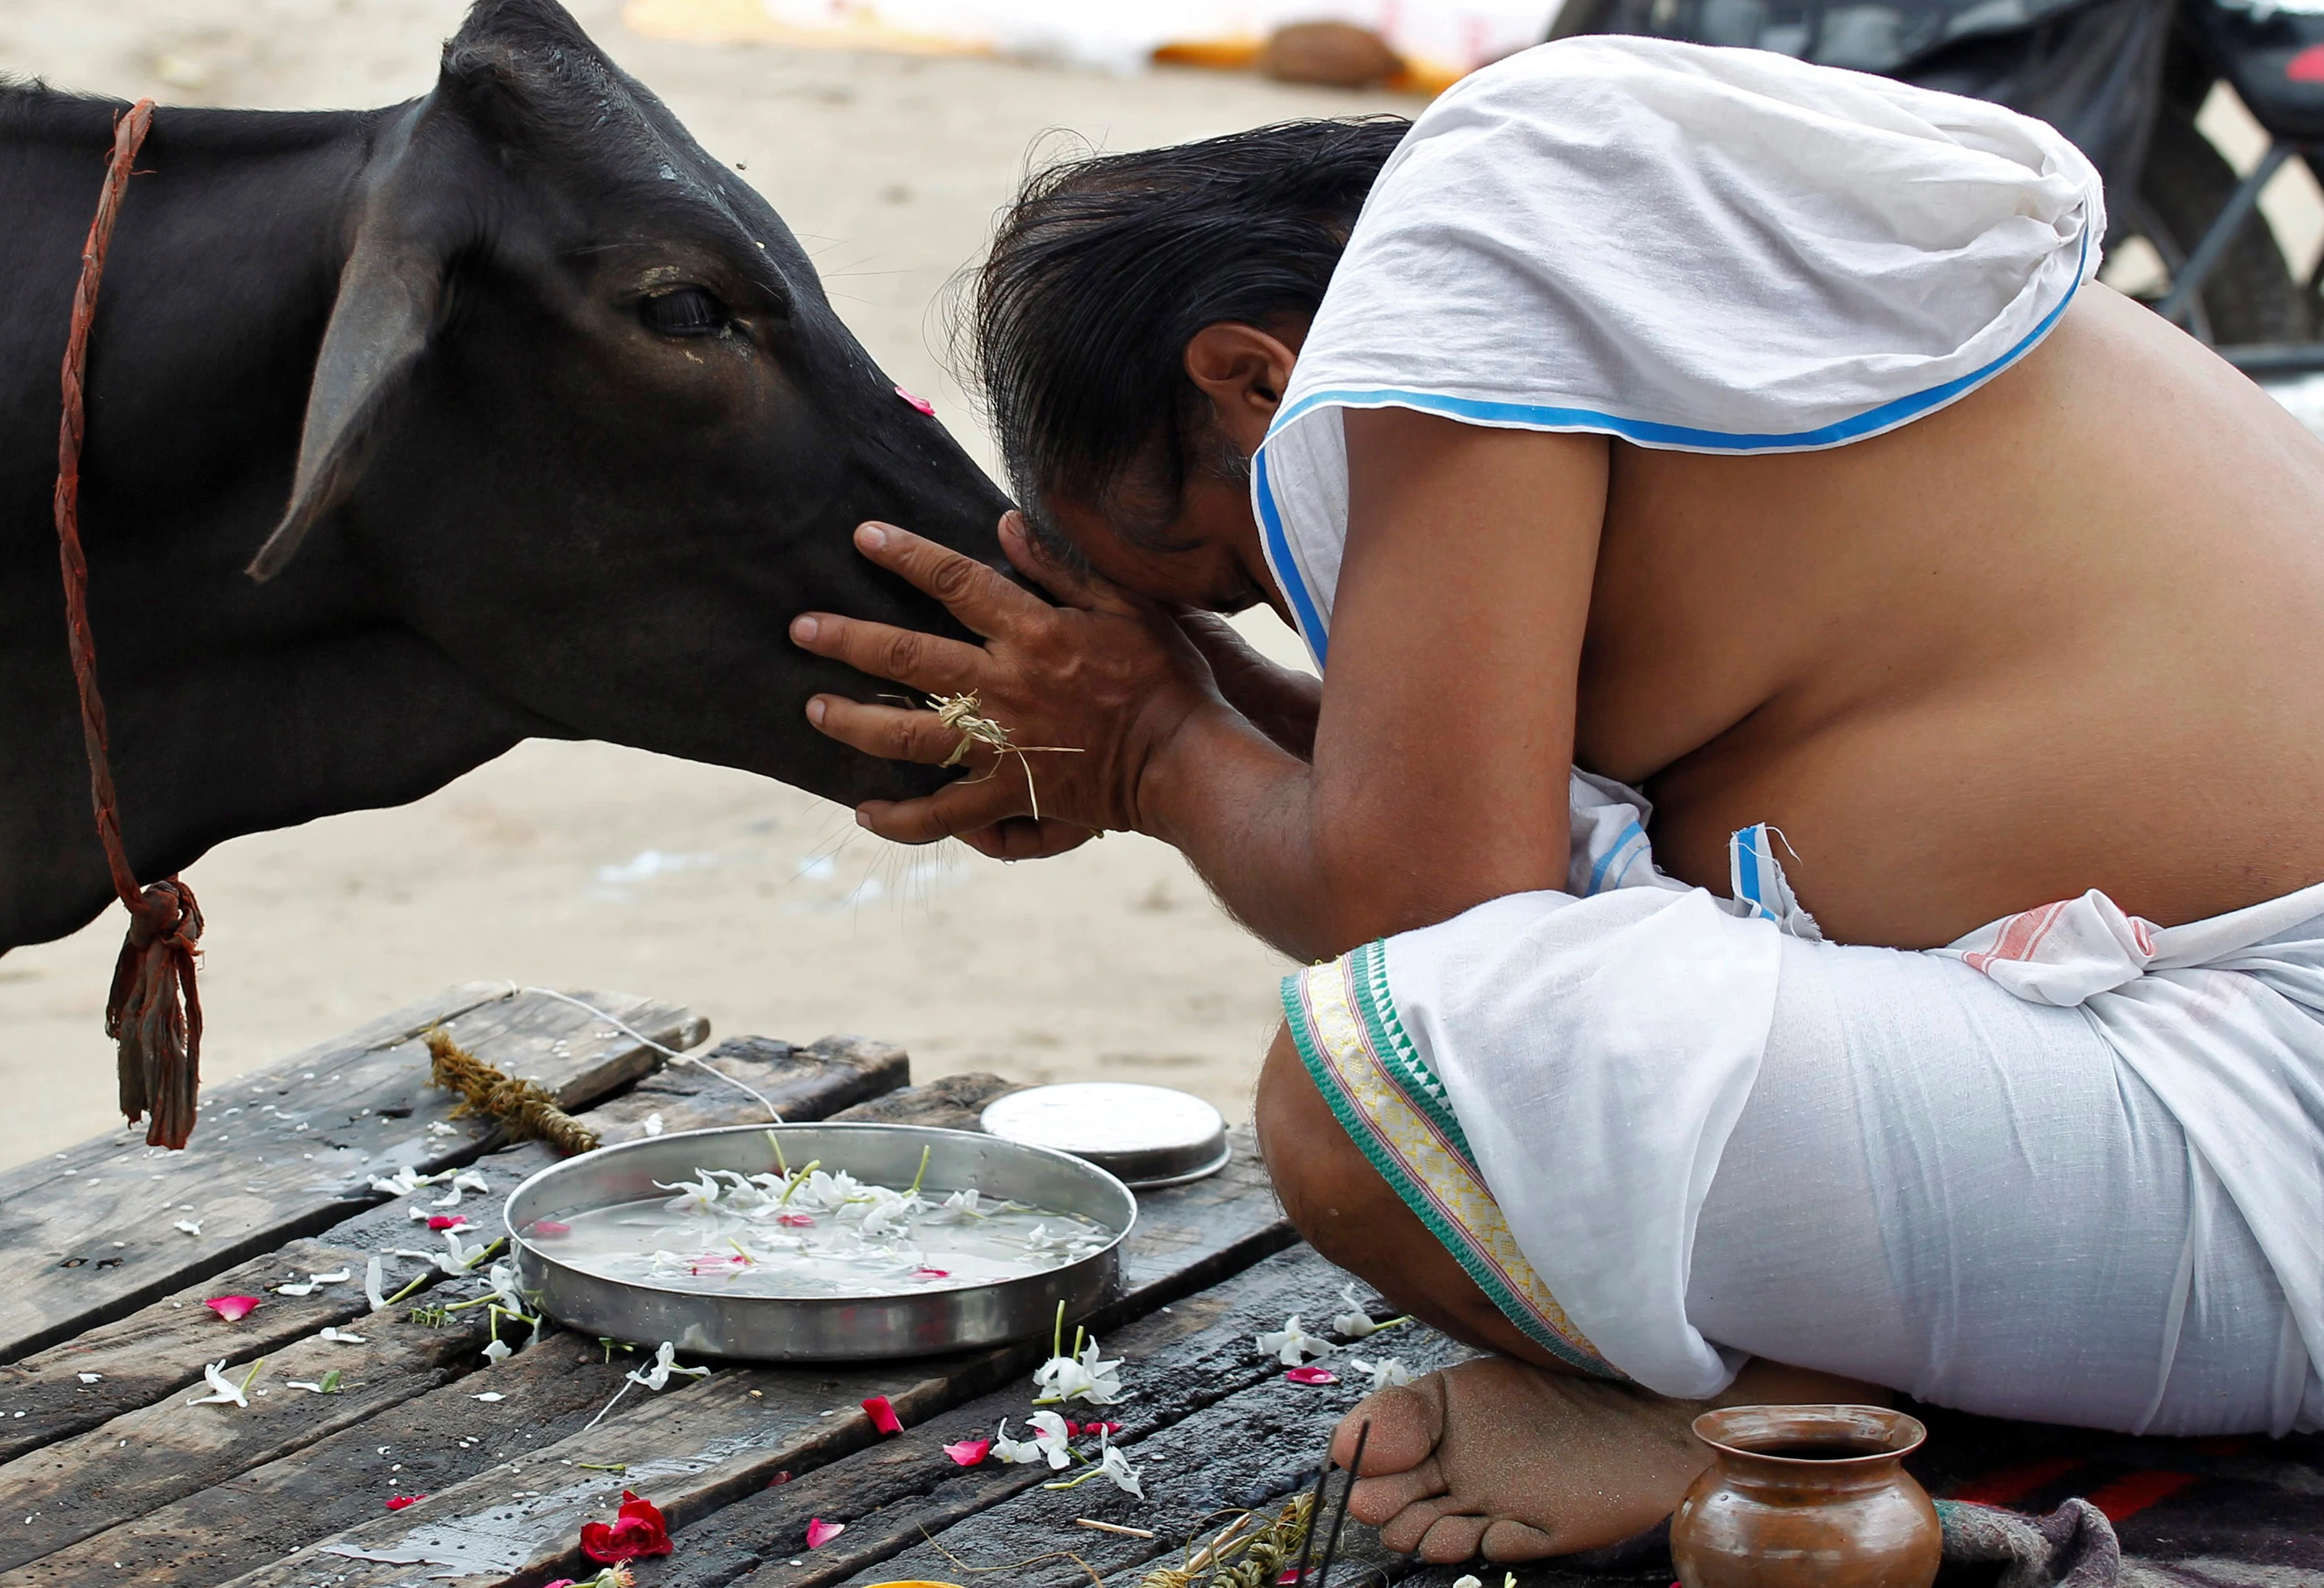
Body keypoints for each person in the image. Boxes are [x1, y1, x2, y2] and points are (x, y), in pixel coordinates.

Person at [786, 33, 2324, 1563]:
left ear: (1255, 380)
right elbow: (1475, 816)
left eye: (1236, 576)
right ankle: (1822, 1362)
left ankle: (1731, 1410)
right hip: (2227, 1114)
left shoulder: (1473, 235)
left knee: (1362, 1092)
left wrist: (1152, 748)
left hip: (2272, 1112)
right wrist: (1182, 712)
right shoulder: (1615, 307)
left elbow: (1441, 916)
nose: (1294, 607)